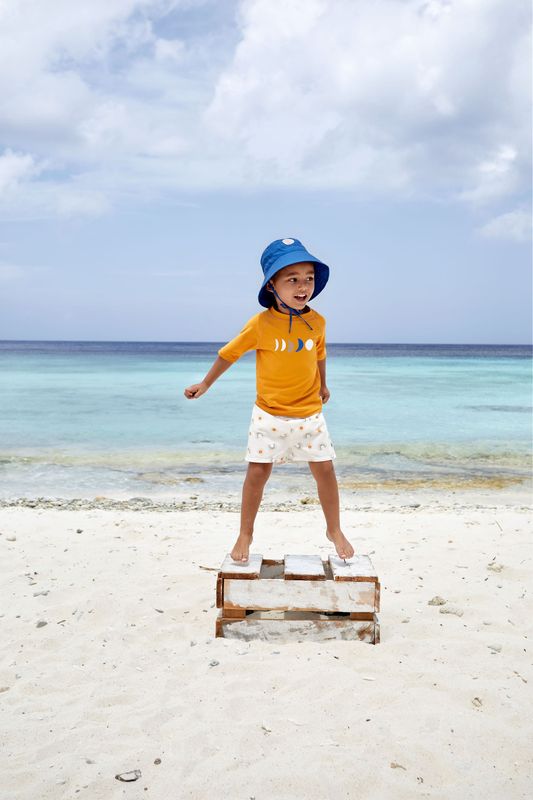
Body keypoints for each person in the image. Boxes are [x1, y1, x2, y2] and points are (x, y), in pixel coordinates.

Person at [184, 237, 354, 564]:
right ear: (272, 285)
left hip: (309, 414)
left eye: (309, 278)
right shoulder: (260, 325)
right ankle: (245, 532)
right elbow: (228, 355)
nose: (303, 285)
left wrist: (324, 385)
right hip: (269, 415)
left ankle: (334, 528)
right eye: (292, 279)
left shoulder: (317, 322)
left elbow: (319, 354)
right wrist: (205, 383)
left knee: (326, 471)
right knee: (258, 474)